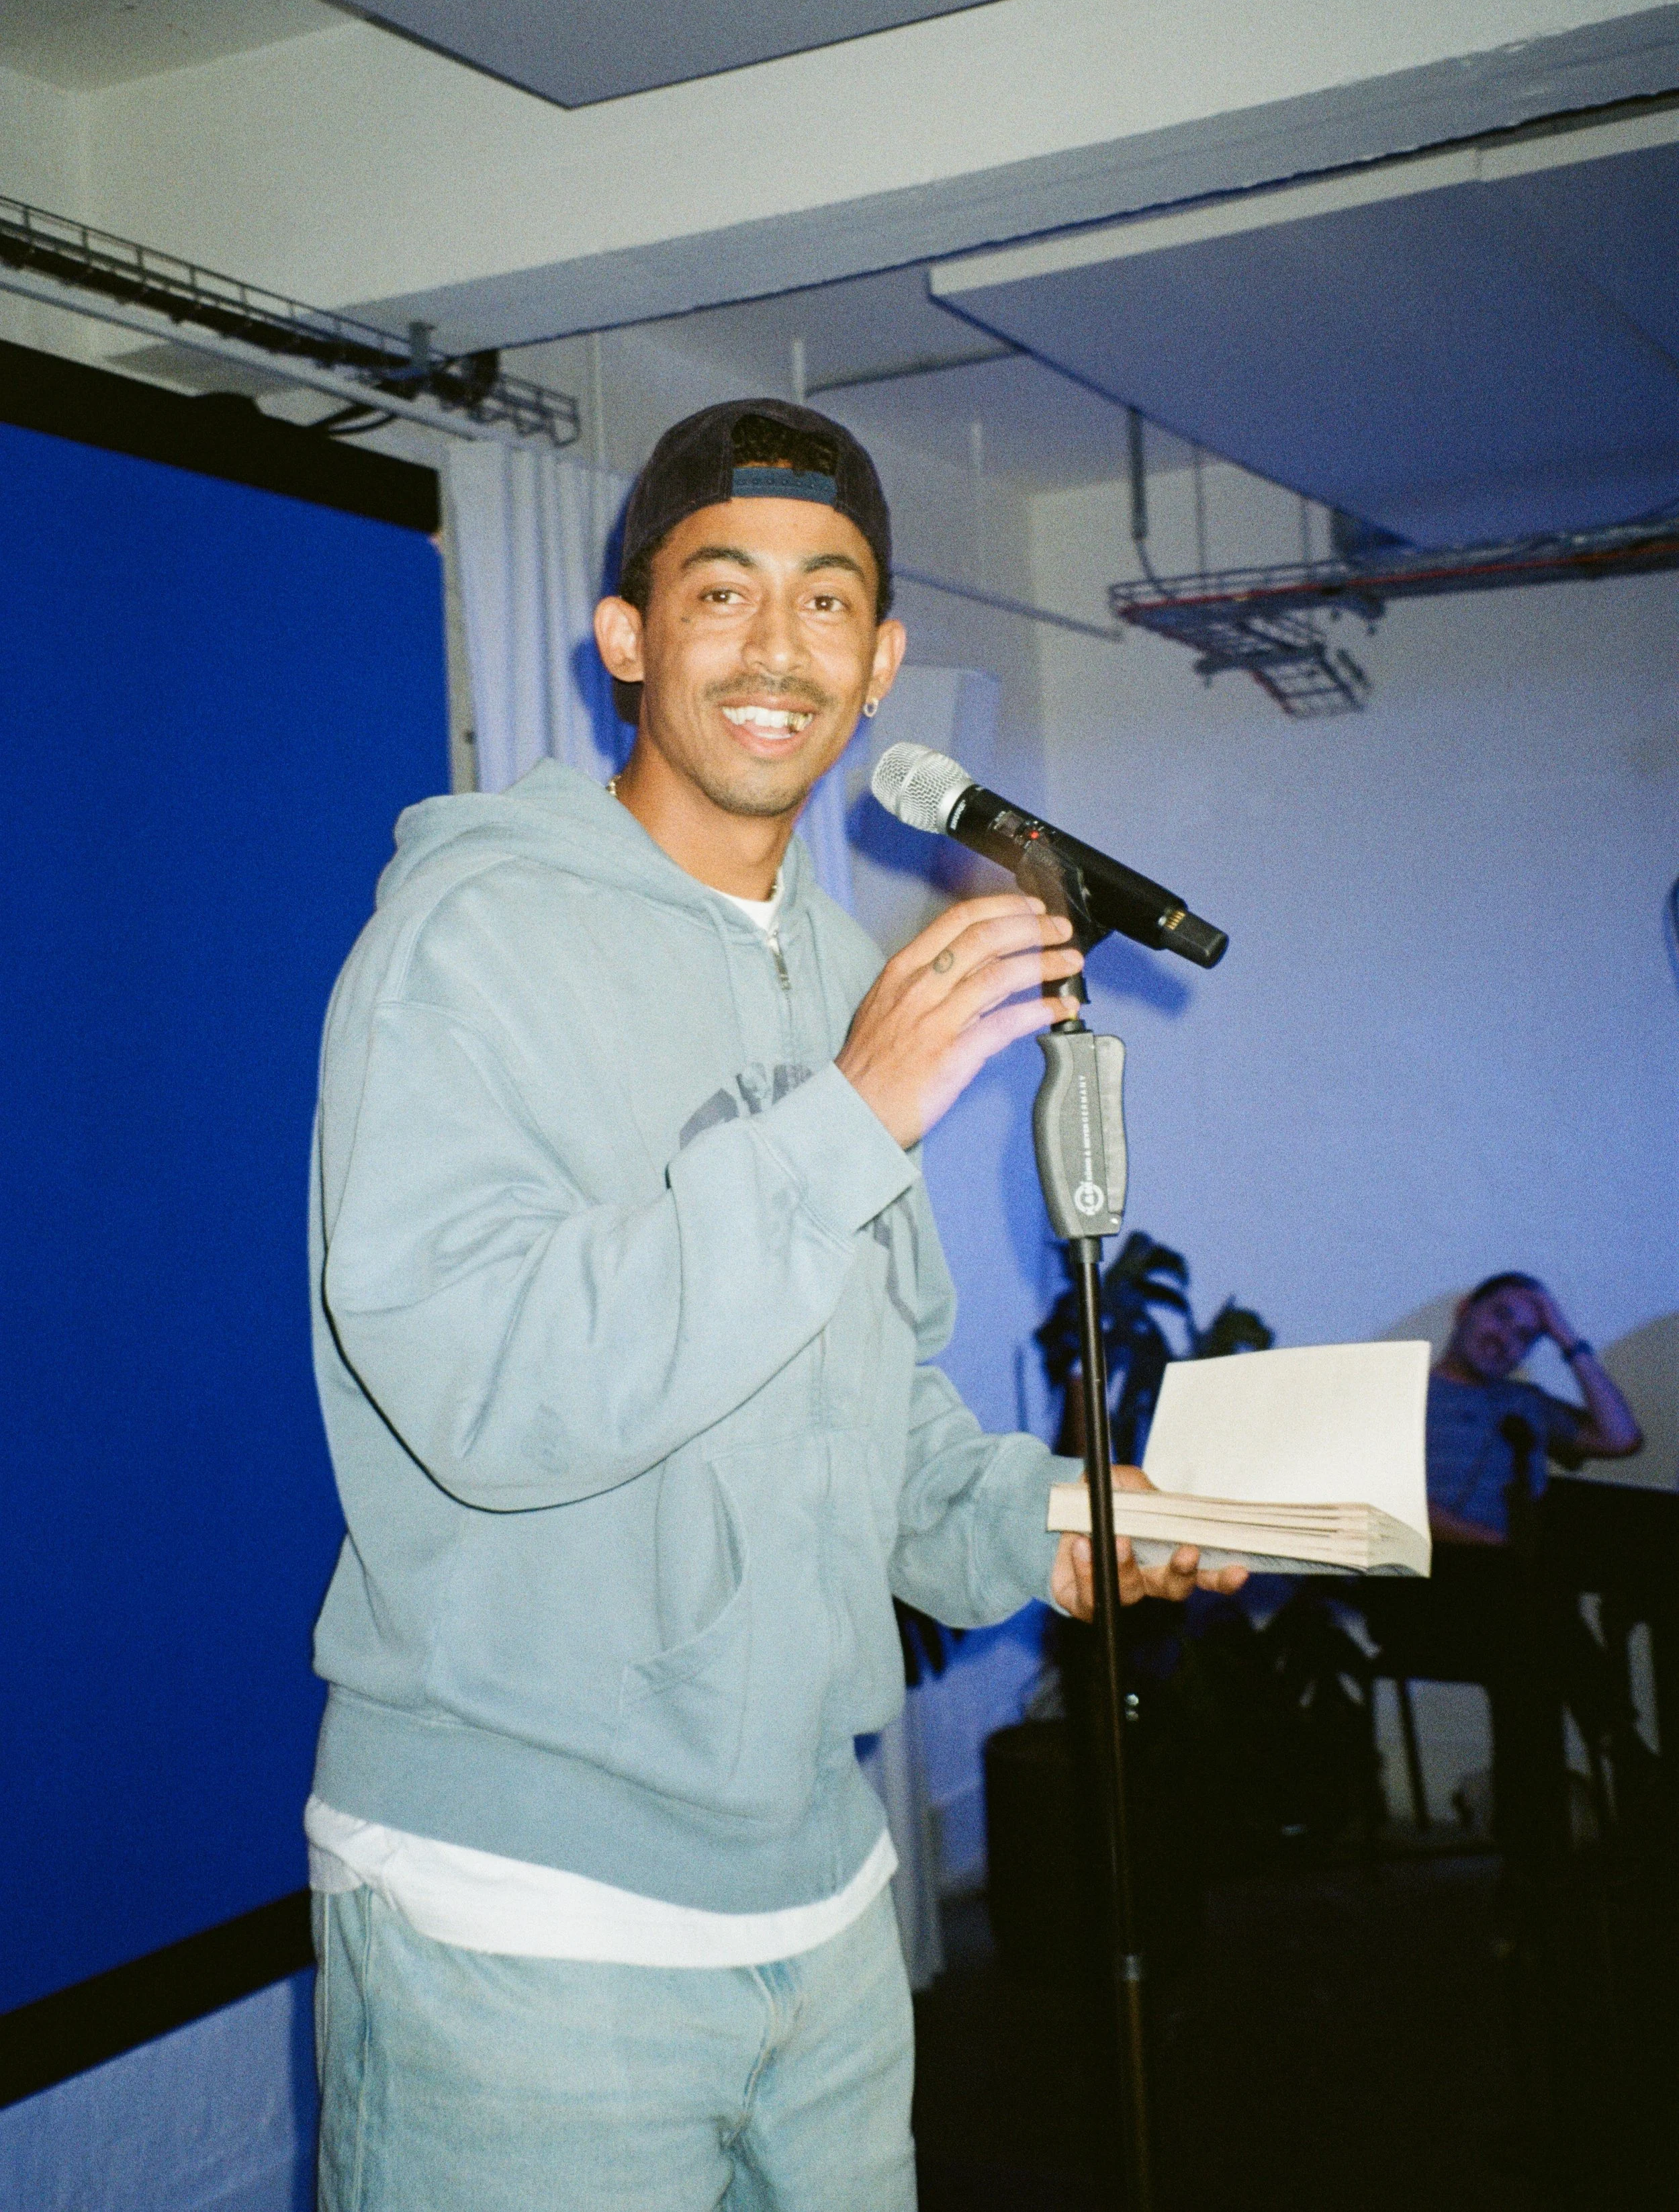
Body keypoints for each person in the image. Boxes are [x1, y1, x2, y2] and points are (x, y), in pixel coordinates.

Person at [304, 398, 1244, 2212]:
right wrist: (845, 1114)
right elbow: (488, 1394)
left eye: (827, 603)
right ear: (627, 639)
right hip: (523, 1914)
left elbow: (862, 1417)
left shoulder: (838, 971)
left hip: (816, 1903)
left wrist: (1060, 1525)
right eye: (718, 592)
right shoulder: (465, 946)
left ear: (880, 660)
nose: (773, 647)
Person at [1426, 1272, 1641, 1544]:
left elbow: (1621, 1439)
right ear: (1464, 1309)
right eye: (1502, 1316)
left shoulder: (1527, 1404)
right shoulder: (1399, 1388)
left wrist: (1567, 1339)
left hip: (1502, 1580)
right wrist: (1505, 1547)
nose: (1504, 1339)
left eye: (1524, 1336)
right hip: (1411, 1576)